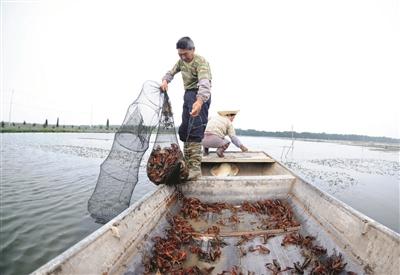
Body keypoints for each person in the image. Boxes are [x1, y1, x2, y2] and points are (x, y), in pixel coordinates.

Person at [160, 37, 212, 180]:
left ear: (193, 50)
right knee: (185, 130)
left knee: (195, 129)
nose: (183, 57)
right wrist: (165, 81)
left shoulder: (200, 62)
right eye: (180, 54)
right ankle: (187, 164)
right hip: (188, 95)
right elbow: (171, 72)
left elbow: (205, 84)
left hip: (200, 95)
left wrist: (199, 101)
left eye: (185, 54)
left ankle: (195, 169)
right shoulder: (181, 62)